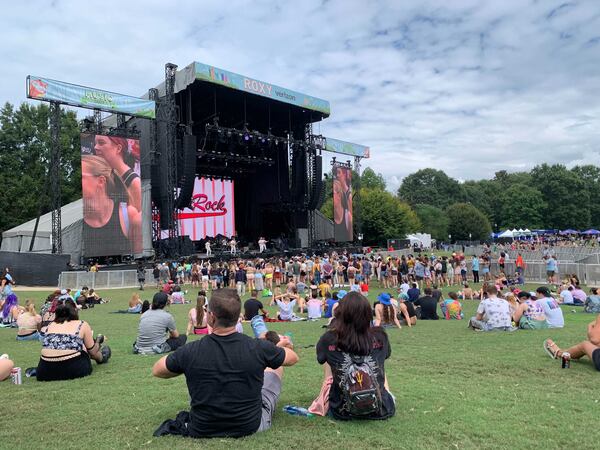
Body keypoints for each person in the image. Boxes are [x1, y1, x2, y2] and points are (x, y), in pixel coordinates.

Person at [152, 288, 299, 438]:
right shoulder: (258, 347)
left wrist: (186, 366)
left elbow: (157, 369)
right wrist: (276, 347)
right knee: (276, 367)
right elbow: (293, 358)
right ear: (237, 317)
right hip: (250, 425)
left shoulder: (191, 351)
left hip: (203, 427)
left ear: (211, 317)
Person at [315, 291, 395, 420]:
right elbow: (385, 355)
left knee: (329, 358)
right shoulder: (380, 336)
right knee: (378, 362)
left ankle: (324, 396)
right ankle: (380, 394)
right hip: (382, 409)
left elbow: (321, 359)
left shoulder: (329, 338)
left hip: (342, 410)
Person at [81, 155, 142, 256]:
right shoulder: (77, 223)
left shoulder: (128, 215)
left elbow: (138, 259)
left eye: (82, 177)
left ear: (101, 181)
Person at [36, 300, 111, 381]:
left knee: (77, 347)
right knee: (84, 349)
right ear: (75, 311)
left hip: (44, 370)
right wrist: (98, 340)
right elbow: (92, 351)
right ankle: (102, 357)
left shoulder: (51, 325)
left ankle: (101, 357)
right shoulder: (82, 324)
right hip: (74, 369)